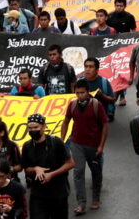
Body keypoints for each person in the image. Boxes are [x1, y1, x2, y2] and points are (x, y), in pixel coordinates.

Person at [61, 80, 109, 215]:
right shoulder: (72, 105)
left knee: (96, 172)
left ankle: (96, 198)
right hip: (76, 144)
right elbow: (65, 122)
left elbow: (105, 125)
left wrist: (101, 146)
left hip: (93, 146)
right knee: (78, 173)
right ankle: (81, 203)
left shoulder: (96, 105)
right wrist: (61, 139)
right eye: (77, 93)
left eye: (82, 93)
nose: (80, 96)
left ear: (88, 92)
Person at [21, 113, 74, 219]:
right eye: (30, 128)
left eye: (36, 127)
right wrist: (36, 169)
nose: (33, 130)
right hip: (38, 195)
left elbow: (70, 163)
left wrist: (52, 174)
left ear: (44, 126)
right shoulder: (27, 146)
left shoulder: (56, 142)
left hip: (58, 193)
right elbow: (26, 169)